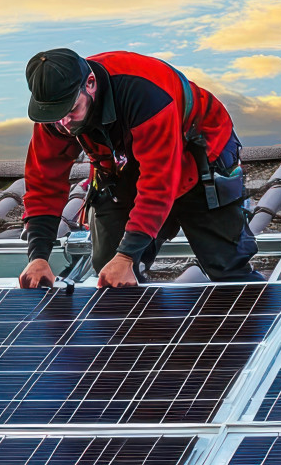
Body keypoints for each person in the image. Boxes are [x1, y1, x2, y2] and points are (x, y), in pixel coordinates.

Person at [19, 47, 258, 291]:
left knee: (227, 268)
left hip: (199, 151)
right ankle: (142, 326)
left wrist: (128, 256)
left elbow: (158, 182)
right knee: (110, 271)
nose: (64, 123)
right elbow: (43, 183)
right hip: (122, 162)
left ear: (90, 83)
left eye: (71, 110)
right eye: (55, 116)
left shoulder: (146, 92)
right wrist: (38, 257)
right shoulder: (54, 114)